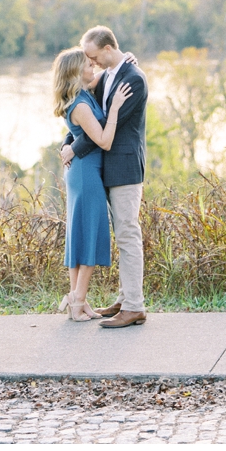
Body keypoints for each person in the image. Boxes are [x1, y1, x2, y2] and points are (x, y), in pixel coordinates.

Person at [60, 25, 149, 327]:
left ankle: (134, 305)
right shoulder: (106, 77)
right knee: (120, 235)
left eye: (93, 57)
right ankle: (124, 299)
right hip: (102, 170)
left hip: (123, 168)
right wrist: (68, 143)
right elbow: (81, 114)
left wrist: (74, 148)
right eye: (87, 60)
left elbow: (107, 129)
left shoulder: (133, 80)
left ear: (108, 50)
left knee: (127, 234)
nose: (91, 63)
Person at [52, 47, 132, 321]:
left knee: (79, 235)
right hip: (86, 175)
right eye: (88, 65)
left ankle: (78, 300)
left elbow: (109, 72)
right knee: (90, 236)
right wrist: (116, 109)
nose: (93, 68)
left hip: (81, 172)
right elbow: (104, 140)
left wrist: (126, 59)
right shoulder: (82, 105)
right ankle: (77, 302)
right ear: (77, 73)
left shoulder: (83, 92)